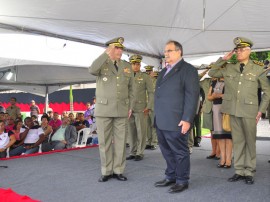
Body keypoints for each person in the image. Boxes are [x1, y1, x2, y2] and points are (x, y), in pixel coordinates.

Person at [209, 37, 270, 185]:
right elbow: (212, 73)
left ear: (249, 51)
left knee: (250, 142)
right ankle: (239, 170)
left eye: (242, 49)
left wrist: (261, 111)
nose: (239, 52)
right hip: (233, 110)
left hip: (250, 111)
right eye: (237, 49)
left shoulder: (258, 68)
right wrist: (223, 59)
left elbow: (267, 92)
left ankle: (249, 171)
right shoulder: (229, 67)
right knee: (238, 141)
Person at [154, 40, 199, 193]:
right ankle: (171, 175)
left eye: (169, 50)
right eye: (165, 51)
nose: (166, 53)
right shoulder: (163, 71)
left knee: (180, 152)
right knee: (166, 151)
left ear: (179, 51)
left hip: (177, 120)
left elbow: (192, 97)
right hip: (162, 120)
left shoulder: (188, 70)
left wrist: (187, 119)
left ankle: (182, 180)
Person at [89, 37, 134, 182]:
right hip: (104, 109)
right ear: (110, 49)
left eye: (121, 48)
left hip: (122, 109)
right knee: (105, 142)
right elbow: (92, 69)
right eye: (117, 48)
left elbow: (132, 88)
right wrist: (105, 54)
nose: (120, 51)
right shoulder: (103, 63)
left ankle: (118, 170)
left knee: (121, 142)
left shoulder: (126, 66)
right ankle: (106, 171)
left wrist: (130, 107)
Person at [126, 55, 154, 161]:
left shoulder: (145, 77)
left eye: (137, 64)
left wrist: (149, 107)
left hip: (141, 108)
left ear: (140, 65)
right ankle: (132, 152)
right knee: (131, 131)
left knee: (141, 131)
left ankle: (140, 152)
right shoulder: (126, 76)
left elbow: (151, 93)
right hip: (129, 108)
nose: (135, 66)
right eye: (133, 64)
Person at [207, 78, 232, 168]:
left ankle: (228, 160)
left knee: (228, 136)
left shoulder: (230, 80)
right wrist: (214, 96)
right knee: (220, 136)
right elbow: (209, 97)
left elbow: (234, 95)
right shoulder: (214, 83)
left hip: (228, 109)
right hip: (216, 109)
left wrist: (221, 95)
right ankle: (222, 159)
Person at [145, 66, 158, 150]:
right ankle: (148, 142)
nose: (148, 73)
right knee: (147, 126)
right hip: (145, 107)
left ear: (153, 72)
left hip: (154, 106)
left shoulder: (157, 82)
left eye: (150, 72)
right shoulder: (143, 81)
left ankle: (154, 142)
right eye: (147, 72)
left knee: (153, 125)